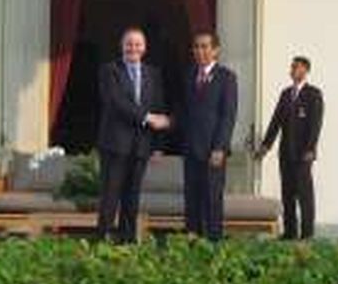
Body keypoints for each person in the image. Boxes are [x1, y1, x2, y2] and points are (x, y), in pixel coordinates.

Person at [96, 28, 170, 242]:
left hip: (141, 146)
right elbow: (116, 102)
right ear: (122, 46)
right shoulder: (109, 70)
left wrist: (158, 145)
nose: (133, 48)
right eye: (129, 44)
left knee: (132, 195)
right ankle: (103, 240)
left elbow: (159, 106)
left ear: (144, 48)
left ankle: (128, 240)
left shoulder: (153, 74)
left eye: (137, 44)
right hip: (114, 144)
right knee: (110, 195)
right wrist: (147, 118)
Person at [255, 56, 324, 239]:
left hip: (303, 155)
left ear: (305, 70)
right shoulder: (286, 94)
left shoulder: (313, 94)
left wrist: (311, 148)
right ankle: (290, 232)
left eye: (297, 67)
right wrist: (265, 146)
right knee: (287, 194)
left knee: (304, 195)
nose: (293, 70)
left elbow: (315, 124)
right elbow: (276, 121)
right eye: (292, 67)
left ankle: (307, 234)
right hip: (286, 153)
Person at [180, 31, 237, 241]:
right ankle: (192, 241)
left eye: (205, 47)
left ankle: (213, 243)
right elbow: (184, 111)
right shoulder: (188, 75)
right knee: (191, 197)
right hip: (191, 148)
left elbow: (228, 115)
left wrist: (220, 147)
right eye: (196, 47)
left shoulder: (227, 78)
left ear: (215, 50)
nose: (200, 51)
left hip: (214, 151)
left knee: (212, 198)